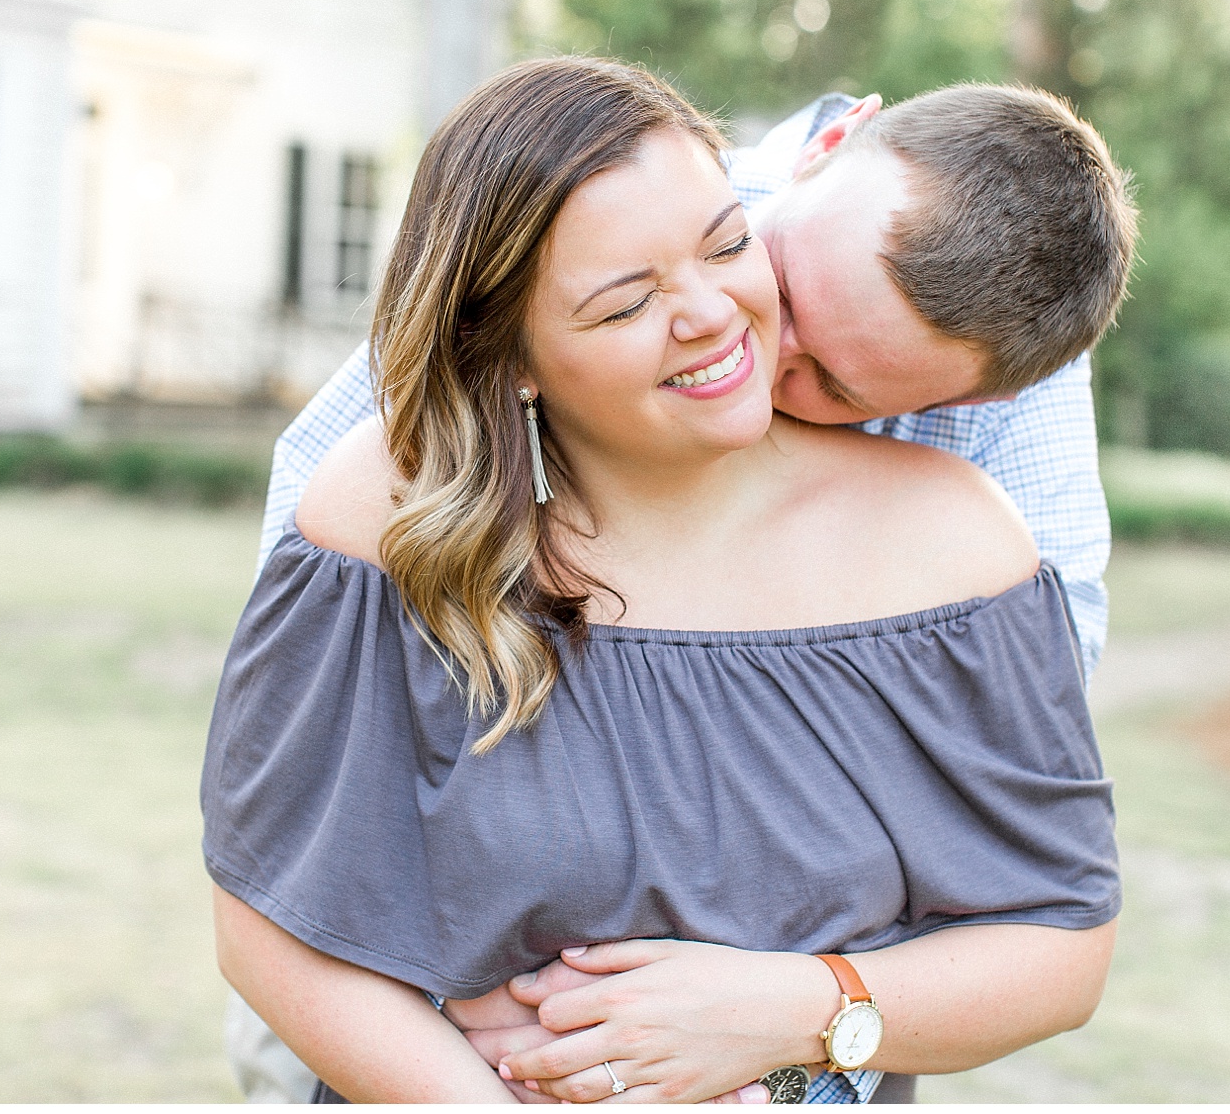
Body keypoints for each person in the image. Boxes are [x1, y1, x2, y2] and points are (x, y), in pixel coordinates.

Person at [203, 56, 1122, 1105]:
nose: (729, 323)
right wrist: (452, 1009)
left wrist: (794, 1023)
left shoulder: (966, 505)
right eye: (626, 302)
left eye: (835, 384)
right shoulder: (395, 486)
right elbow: (285, 873)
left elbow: (1033, 866)